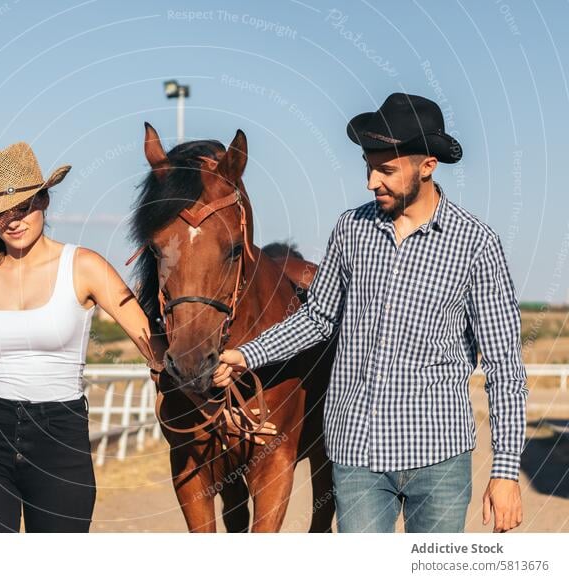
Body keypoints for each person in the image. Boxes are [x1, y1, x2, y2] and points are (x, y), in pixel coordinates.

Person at [215, 93, 528, 533]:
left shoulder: (476, 245)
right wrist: (248, 354)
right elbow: (318, 318)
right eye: (367, 166)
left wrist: (505, 472)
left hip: (438, 458)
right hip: (356, 455)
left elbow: (504, 367)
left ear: (427, 166)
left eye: (385, 170)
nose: (370, 182)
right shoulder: (351, 229)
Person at [0, 141, 165, 532]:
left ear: (45, 202)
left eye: (23, 207)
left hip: (59, 440)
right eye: (1, 213)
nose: (14, 220)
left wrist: (190, 379)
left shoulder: (84, 266)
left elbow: (148, 341)